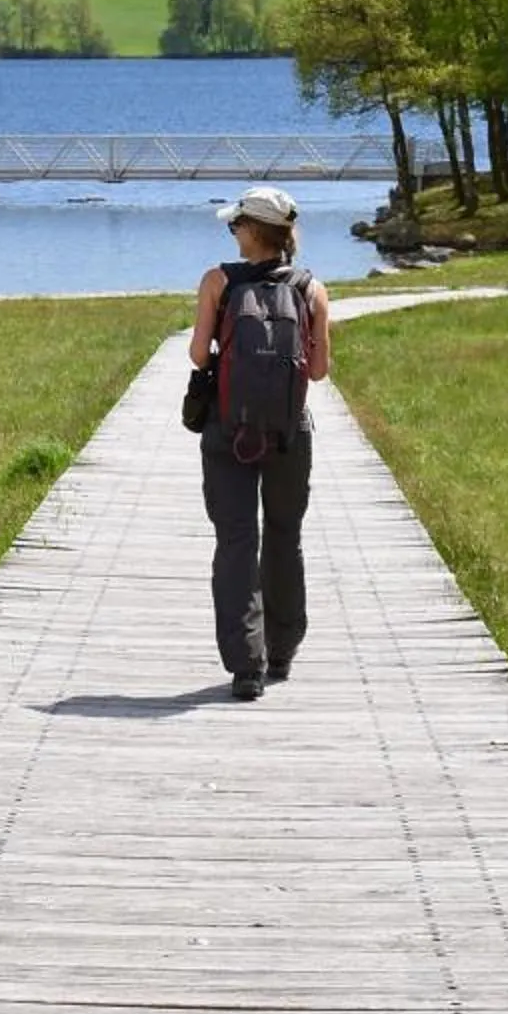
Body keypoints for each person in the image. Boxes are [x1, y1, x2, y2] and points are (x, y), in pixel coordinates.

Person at [188, 185, 331, 701]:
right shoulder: (312, 289)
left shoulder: (217, 282)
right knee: (284, 537)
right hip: (291, 433)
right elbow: (317, 369)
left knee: (235, 542)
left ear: (252, 231)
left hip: (229, 429)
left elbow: (198, 356)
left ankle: (246, 668)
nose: (233, 233)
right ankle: (283, 649)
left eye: (236, 226)